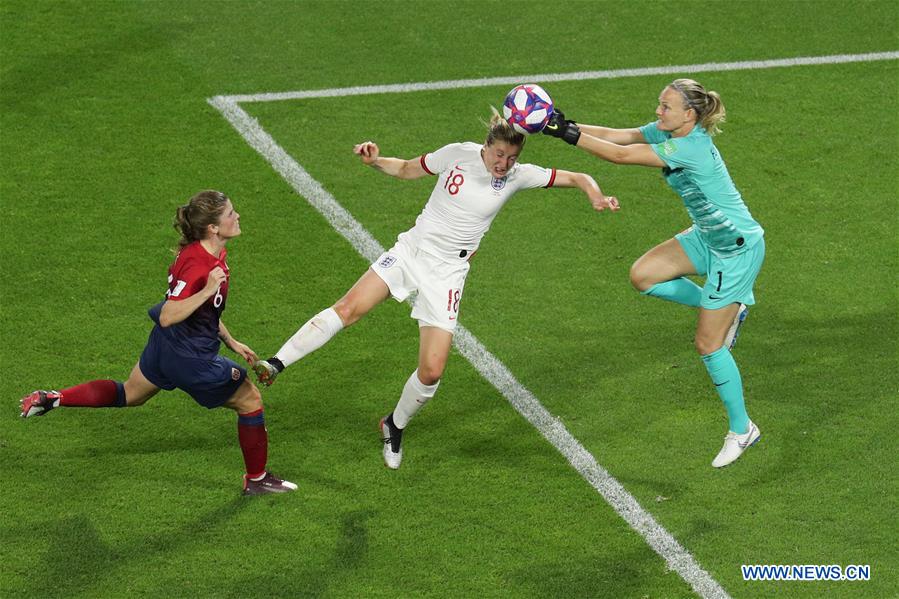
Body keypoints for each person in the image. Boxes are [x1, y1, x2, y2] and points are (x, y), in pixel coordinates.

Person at [253, 110, 619, 470]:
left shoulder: (519, 176)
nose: (504, 164)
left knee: (431, 371)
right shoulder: (457, 153)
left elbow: (578, 176)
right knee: (350, 308)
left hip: (448, 274)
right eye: (499, 155)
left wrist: (596, 195)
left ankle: (393, 425)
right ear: (486, 145)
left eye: (512, 158)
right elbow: (408, 169)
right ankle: (276, 362)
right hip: (412, 252)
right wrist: (376, 161)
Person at [543, 79, 764, 468]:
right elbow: (619, 137)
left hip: (735, 250)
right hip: (705, 236)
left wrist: (568, 136)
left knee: (708, 345)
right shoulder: (668, 130)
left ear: (689, 115)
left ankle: (742, 429)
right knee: (643, 276)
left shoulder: (690, 147)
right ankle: (728, 309)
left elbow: (621, 157)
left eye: (665, 107)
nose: (658, 112)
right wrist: (563, 123)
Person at [20, 190, 297, 495]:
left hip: (165, 347)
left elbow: (200, 311)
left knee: (131, 393)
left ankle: (54, 398)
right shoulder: (201, 267)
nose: (238, 216)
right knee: (250, 400)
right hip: (191, 358)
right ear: (213, 227)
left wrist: (230, 340)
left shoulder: (201, 252)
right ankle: (256, 480)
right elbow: (168, 314)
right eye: (231, 213)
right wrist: (207, 290)